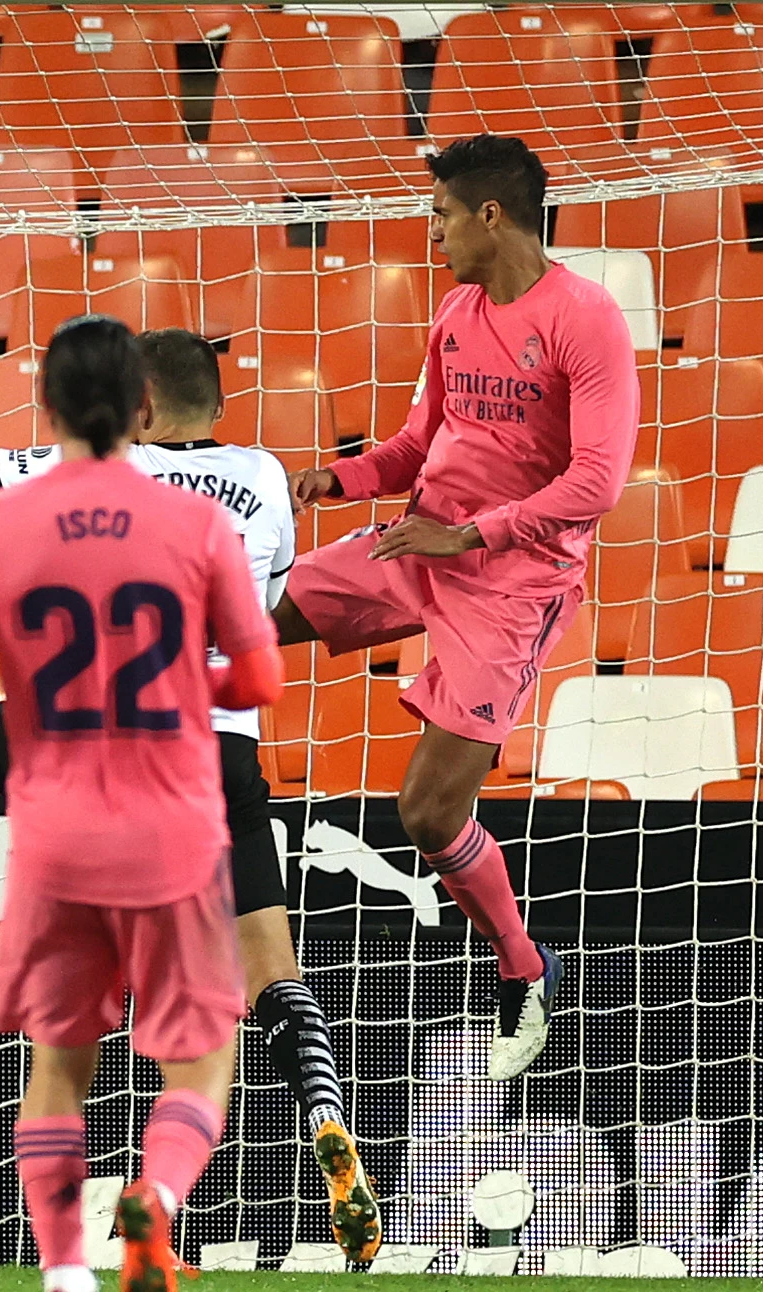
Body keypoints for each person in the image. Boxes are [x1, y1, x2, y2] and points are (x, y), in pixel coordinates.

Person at [0, 328, 380, 1263]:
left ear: (135, 401)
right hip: (217, 756)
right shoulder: (265, 475)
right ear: (217, 406)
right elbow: (261, 614)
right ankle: (320, 1109)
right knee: (267, 977)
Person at [277, 134, 640, 1081]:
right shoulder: (454, 310)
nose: (429, 230)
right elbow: (413, 444)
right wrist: (337, 478)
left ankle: (521, 970)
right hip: (419, 541)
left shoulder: (584, 319)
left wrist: (473, 536)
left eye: (439, 213)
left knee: (428, 812)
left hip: (513, 582)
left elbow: (597, 483)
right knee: (248, 609)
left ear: (488, 215)